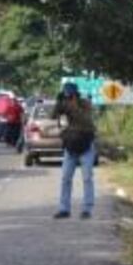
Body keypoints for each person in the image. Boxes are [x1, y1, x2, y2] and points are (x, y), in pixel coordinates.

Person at [52, 82, 97, 219]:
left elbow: (84, 120)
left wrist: (73, 103)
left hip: (86, 145)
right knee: (66, 178)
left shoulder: (85, 103)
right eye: (66, 95)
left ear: (76, 94)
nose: (68, 97)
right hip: (71, 146)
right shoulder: (64, 104)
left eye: (70, 94)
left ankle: (87, 209)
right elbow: (54, 116)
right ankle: (64, 208)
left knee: (87, 178)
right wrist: (58, 102)